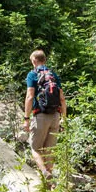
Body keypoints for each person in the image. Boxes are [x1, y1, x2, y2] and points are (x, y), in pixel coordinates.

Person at [22, 49, 66, 177]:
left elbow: (30, 96)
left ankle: (45, 173)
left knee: (35, 149)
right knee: (49, 151)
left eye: (32, 62)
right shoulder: (53, 75)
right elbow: (62, 98)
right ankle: (50, 186)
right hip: (56, 116)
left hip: (41, 115)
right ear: (45, 60)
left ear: (34, 61)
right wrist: (64, 118)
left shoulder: (33, 74)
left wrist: (26, 118)